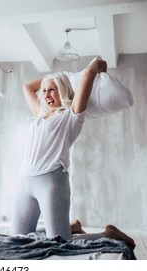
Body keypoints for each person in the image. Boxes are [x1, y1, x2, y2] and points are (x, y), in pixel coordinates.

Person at [11, 58, 109, 241]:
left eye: (52, 90)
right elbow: (27, 87)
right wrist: (50, 79)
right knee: (17, 239)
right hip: (24, 181)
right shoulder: (40, 114)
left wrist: (89, 69)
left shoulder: (70, 116)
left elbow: (88, 74)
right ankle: (72, 227)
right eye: (45, 91)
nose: (46, 95)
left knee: (59, 242)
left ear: (62, 90)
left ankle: (108, 234)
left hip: (51, 183)